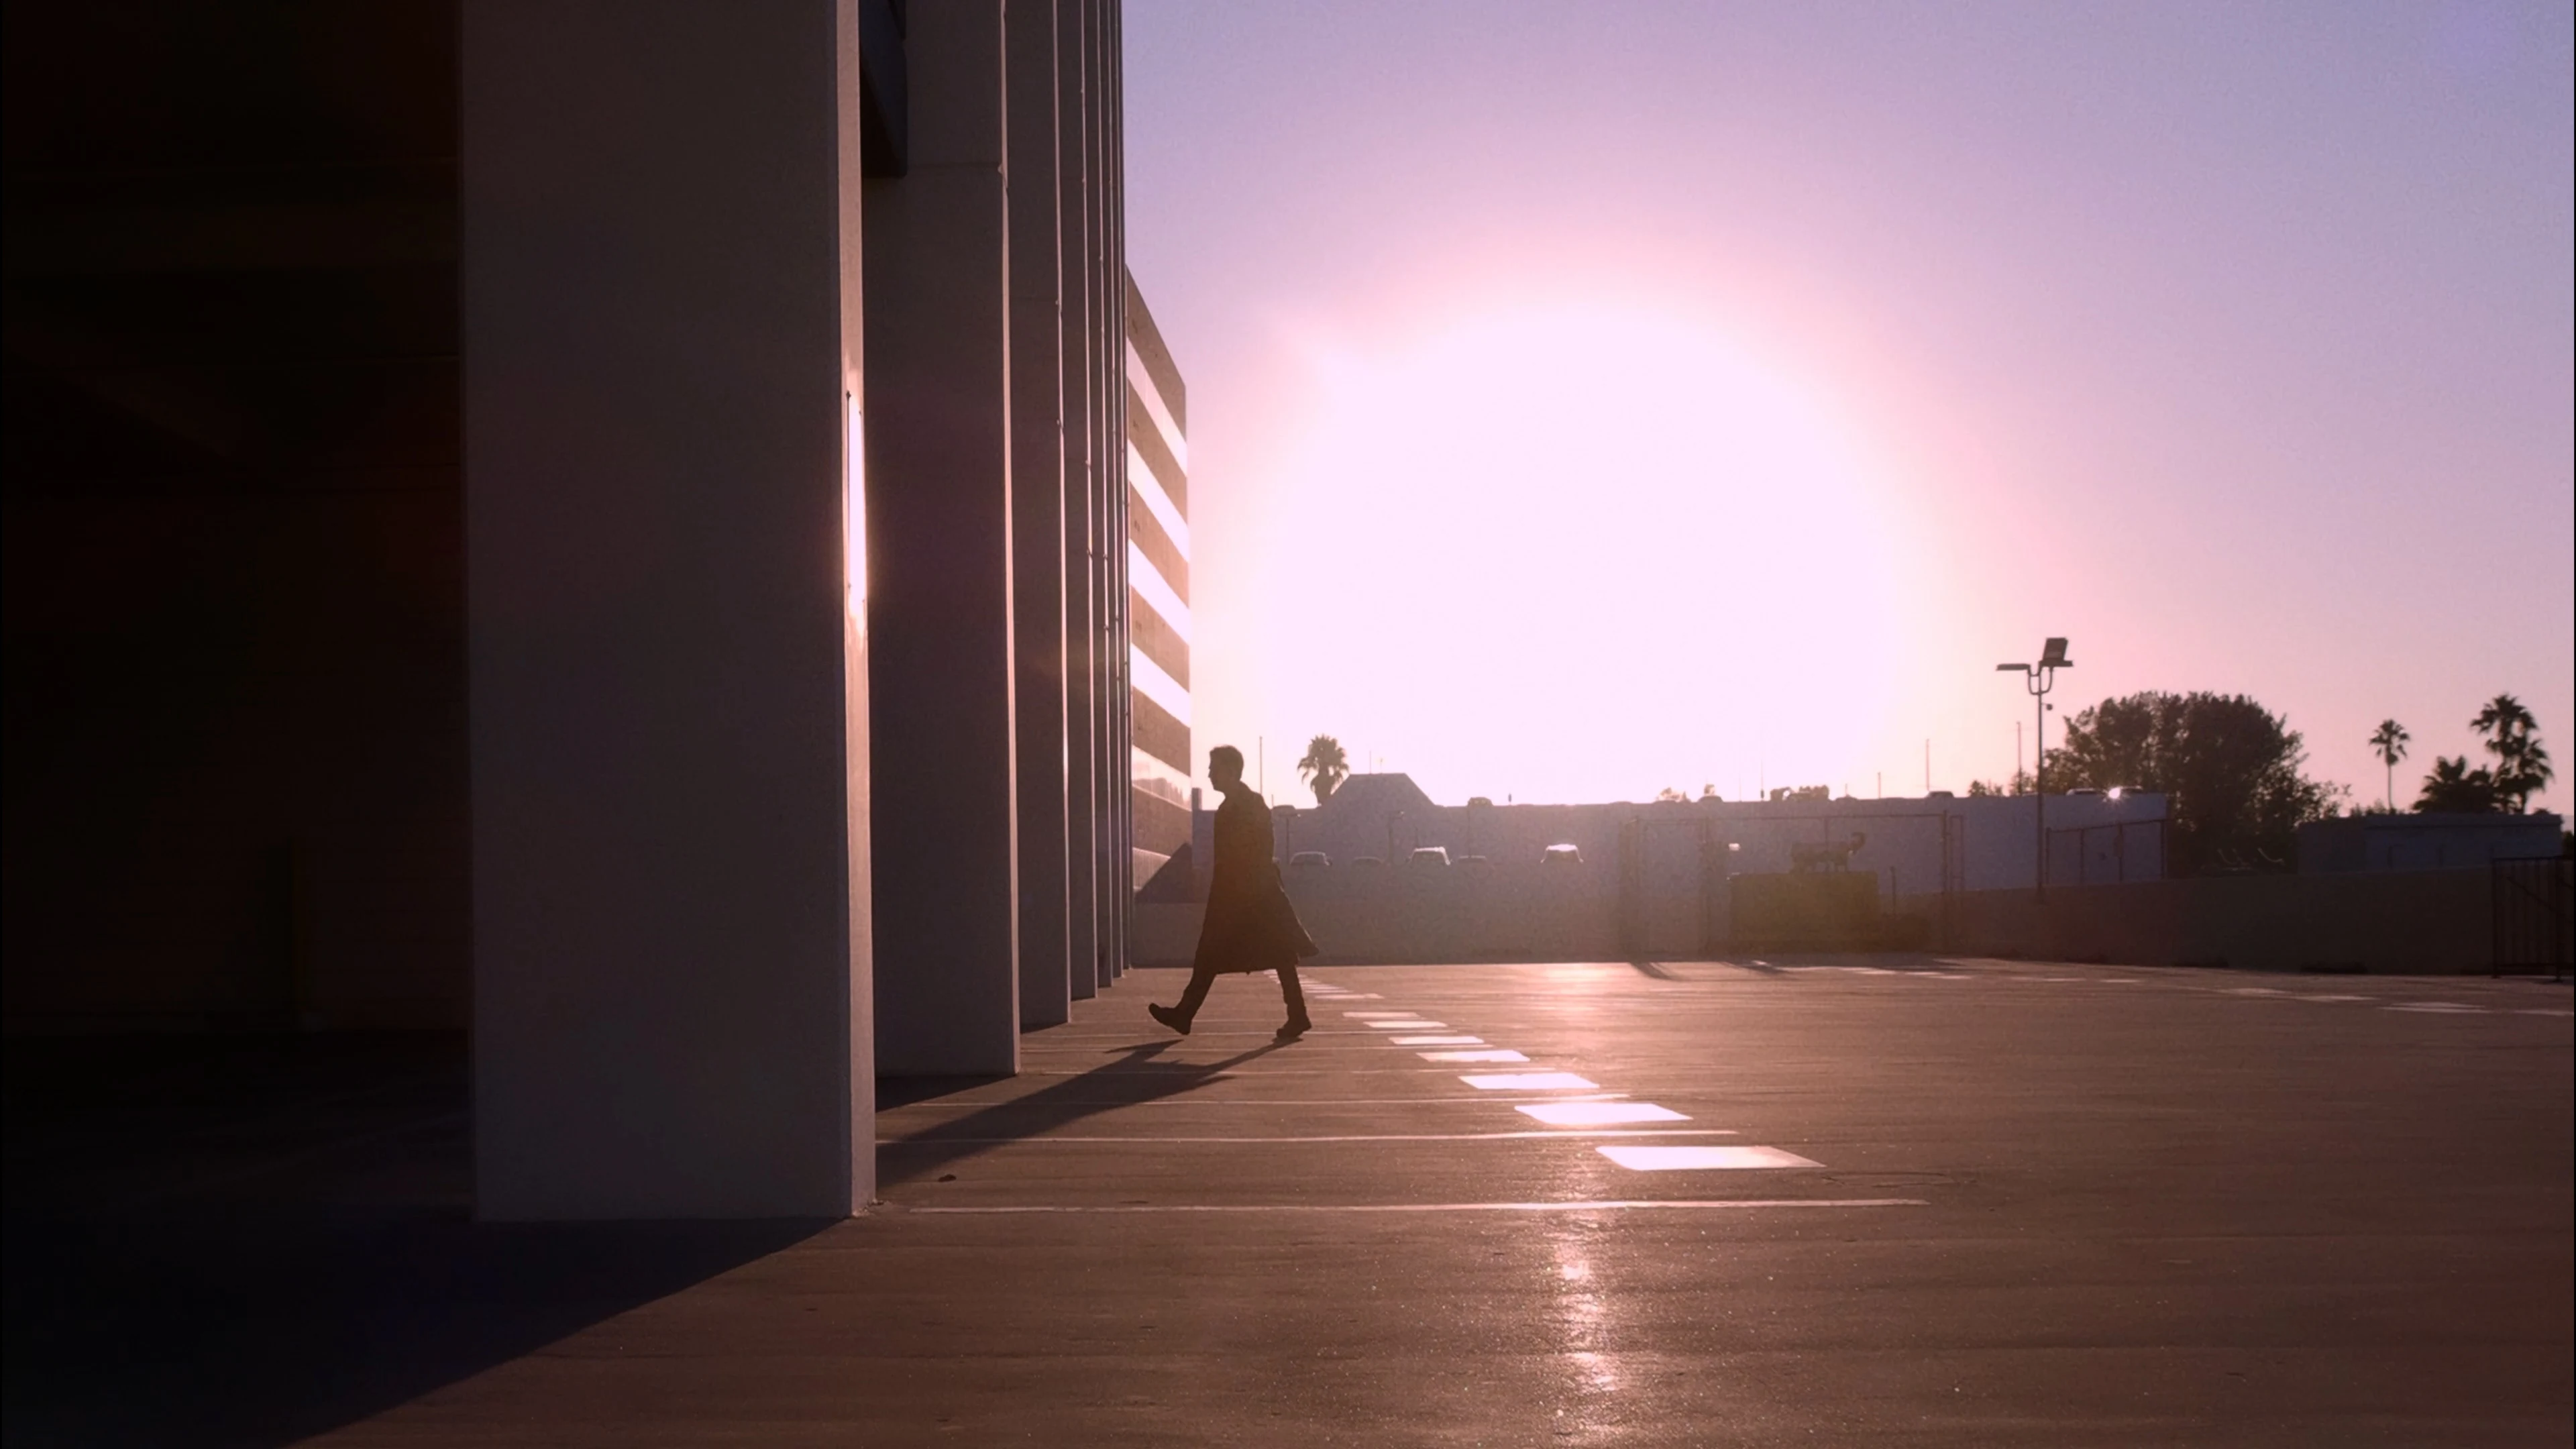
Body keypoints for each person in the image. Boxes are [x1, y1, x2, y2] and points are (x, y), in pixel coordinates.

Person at [1150, 744, 1318, 1042]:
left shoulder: (1248, 805)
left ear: (1229, 771)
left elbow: (1259, 851)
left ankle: (1186, 1013)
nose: (1210, 774)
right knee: (1269, 954)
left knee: (1236, 953)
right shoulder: (1234, 807)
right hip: (1247, 894)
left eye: (1214, 768)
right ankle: (1296, 1014)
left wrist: (1239, 894)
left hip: (1251, 896)